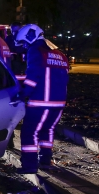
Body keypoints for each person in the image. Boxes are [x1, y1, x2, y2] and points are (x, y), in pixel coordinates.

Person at [14, 24, 69, 173]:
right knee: (48, 130)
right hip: (59, 103)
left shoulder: (35, 50)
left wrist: (23, 93)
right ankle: (45, 161)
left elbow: (33, 76)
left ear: (29, 37)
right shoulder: (59, 53)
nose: (24, 46)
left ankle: (30, 166)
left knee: (29, 132)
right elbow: (49, 74)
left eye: (24, 42)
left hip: (41, 102)